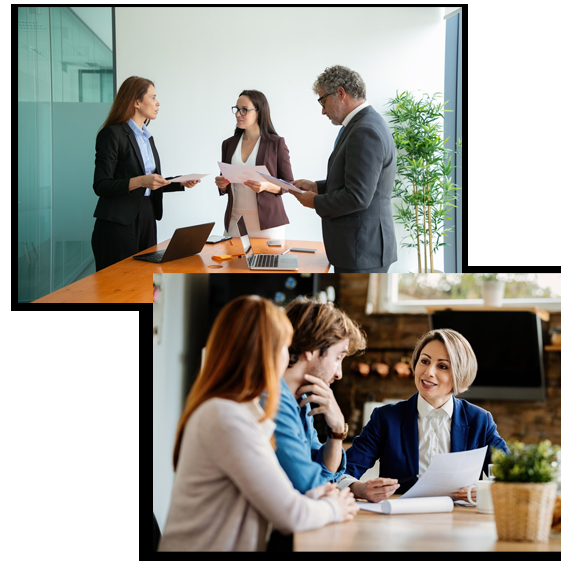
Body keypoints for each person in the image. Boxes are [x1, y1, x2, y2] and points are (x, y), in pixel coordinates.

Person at [158, 295, 358, 552]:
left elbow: (293, 490)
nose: (289, 358)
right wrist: (335, 506)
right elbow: (291, 512)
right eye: (285, 348)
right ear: (266, 351)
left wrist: (325, 495)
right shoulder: (226, 418)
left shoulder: (233, 410)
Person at [337, 329, 509, 503]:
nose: (428, 372)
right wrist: (361, 489)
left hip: (461, 523)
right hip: (401, 522)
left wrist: (485, 491)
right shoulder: (385, 418)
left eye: (442, 366)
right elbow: (342, 471)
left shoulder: (479, 420)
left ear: (460, 373)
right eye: (425, 361)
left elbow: (514, 474)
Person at [289, 65, 397, 273]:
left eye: (323, 101)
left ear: (340, 93)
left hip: (362, 251)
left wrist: (315, 202)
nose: (322, 110)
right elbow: (355, 182)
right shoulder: (362, 124)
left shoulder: (365, 130)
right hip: (361, 250)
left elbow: (357, 196)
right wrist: (317, 187)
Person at [91, 76, 200, 271]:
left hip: (148, 215)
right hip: (119, 222)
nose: (158, 103)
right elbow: (101, 185)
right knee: (119, 284)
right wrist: (141, 181)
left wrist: (178, 182)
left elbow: (151, 181)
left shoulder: (147, 137)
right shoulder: (112, 134)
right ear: (136, 102)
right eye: (153, 97)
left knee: (145, 278)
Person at [267, 297, 367, 494]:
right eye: (338, 357)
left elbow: (325, 477)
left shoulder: (301, 402)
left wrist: (337, 430)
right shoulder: (273, 400)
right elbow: (308, 486)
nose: (339, 373)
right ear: (312, 349)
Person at [215, 90, 293, 239]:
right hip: (235, 222)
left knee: (266, 262)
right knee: (232, 262)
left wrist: (267, 186)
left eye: (244, 110)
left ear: (259, 112)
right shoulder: (228, 144)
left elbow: (289, 183)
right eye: (237, 109)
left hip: (268, 224)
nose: (238, 114)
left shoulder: (276, 143)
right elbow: (225, 182)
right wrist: (222, 184)